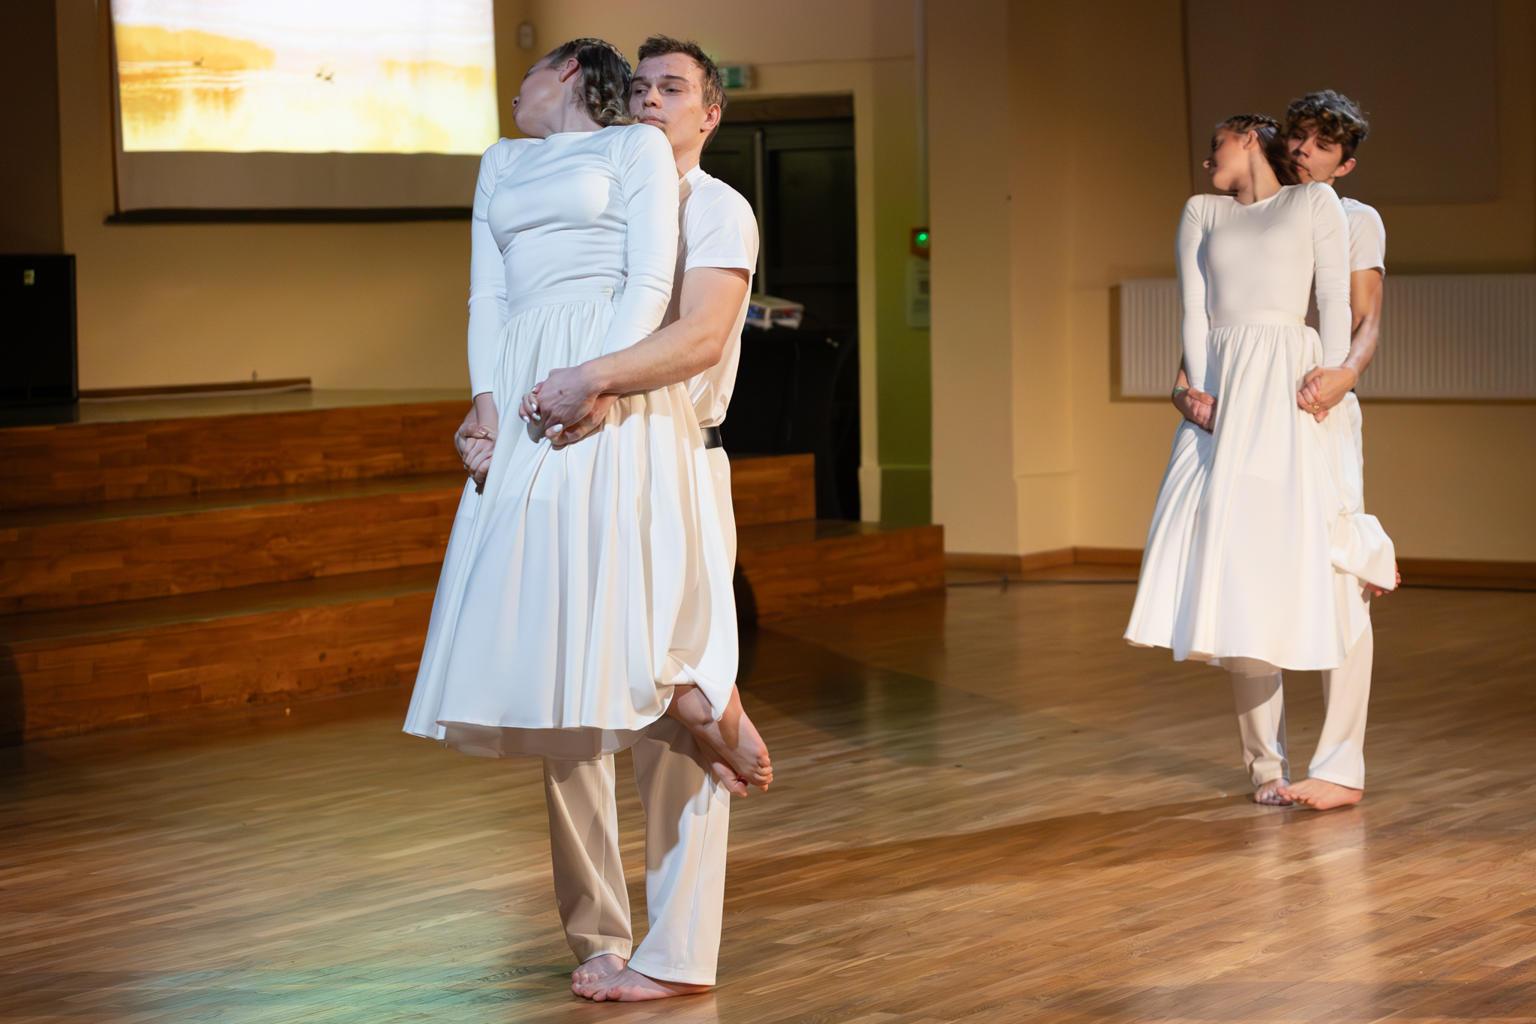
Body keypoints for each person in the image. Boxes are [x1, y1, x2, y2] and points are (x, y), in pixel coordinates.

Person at [402, 37, 737, 1001]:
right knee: (563, 668)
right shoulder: (508, 163)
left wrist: (596, 381)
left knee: (649, 662)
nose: (651, 101)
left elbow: (685, 323)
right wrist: (489, 401)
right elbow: (488, 292)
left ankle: (715, 722)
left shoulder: (710, 202)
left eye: (670, 88)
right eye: (641, 86)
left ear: (709, 111)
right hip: (539, 397)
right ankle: (597, 933)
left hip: (642, 423)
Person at [1124, 112, 1398, 811]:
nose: (1303, 150)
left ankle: (1340, 765)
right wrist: (1187, 388)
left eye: (1323, 146)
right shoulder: (1225, 212)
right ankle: (1265, 766)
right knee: (1239, 569)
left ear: (1344, 164)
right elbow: (1210, 316)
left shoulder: (1350, 217)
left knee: (1337, 569)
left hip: (1311, 400)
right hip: (1243, 401)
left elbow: (1363, 319)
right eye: (1298, 137)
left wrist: (1338, 378)